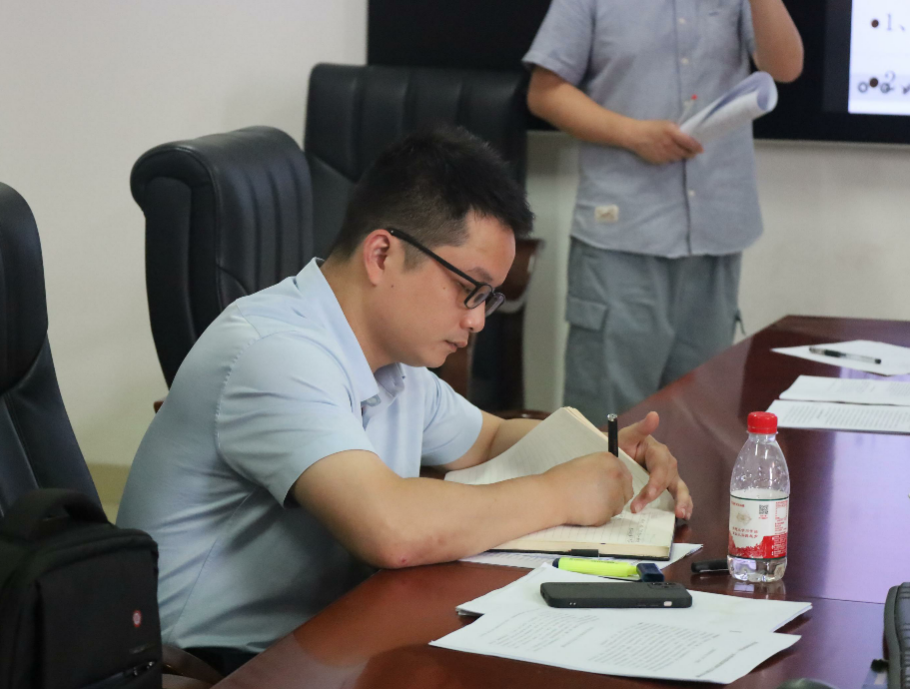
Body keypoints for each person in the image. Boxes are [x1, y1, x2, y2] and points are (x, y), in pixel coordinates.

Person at [117, 127, 693, 674]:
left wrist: (606, 454)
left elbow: (490, 438)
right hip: (213, 666)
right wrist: (561, 493)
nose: (476, 320)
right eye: (469, 289)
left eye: (488, 298)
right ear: (382, 255)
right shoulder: (275, 352)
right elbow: (391, 528)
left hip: (325, 638)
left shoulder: (393, 359)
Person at [525, 0, 804, 422]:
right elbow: (545, 93)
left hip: (714, 234)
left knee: (701, 420)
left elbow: (785, 68)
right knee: (609, 421)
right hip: (623, 234)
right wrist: (632, 134)